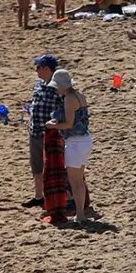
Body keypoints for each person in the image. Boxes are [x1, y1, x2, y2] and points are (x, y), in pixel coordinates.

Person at [52, 68, 93, 227]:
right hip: (85, 140)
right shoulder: (79, 95)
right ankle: (81, 213)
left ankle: (80, 215)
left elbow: (69, 124)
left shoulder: (69, 98)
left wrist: (53, 126)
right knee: (80, 180)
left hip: (75, 142)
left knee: (74, 181)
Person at [25, 55, 63, 207]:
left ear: (47, 68)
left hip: (51, 133)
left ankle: (54, 195)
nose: (36, 70)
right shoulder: (38, 85)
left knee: (53, 165)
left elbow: (63, 110)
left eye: (39, 67)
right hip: (35, 131)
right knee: (36, 165)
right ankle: (38, 195)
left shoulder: (58, 87)